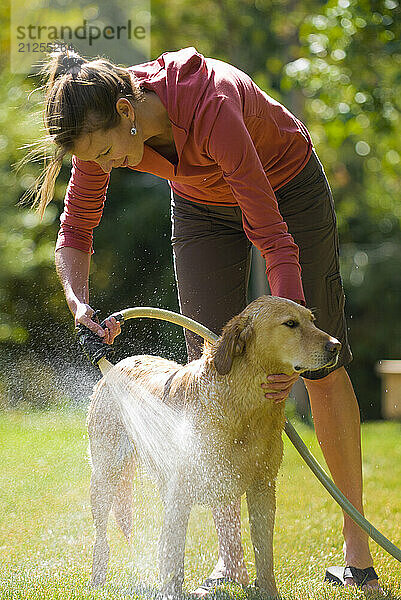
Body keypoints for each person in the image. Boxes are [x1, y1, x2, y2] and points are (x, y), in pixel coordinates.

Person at [30, 45, 382, 594]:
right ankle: (229, 560)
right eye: (90, 158)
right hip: (199, 202)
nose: (101, 167)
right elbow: (75, 231)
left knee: (320, 364)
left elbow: (274, 240)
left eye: (103, 153)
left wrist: (290, 348)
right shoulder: (101, 128)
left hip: (285, 187)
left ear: (128, 110)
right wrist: (79, 304)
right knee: (209, 371)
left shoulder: (211, 105)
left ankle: (357, 556)